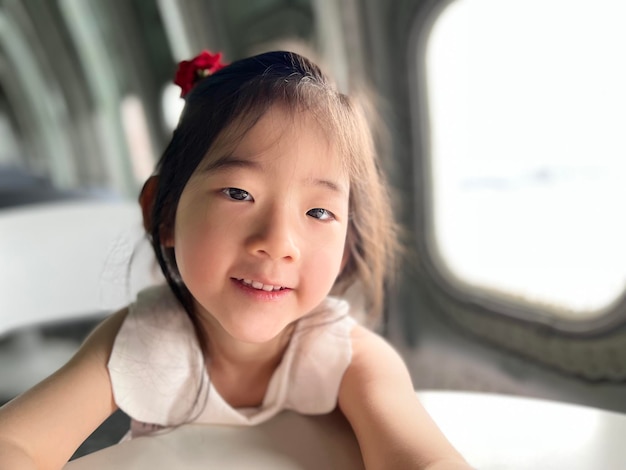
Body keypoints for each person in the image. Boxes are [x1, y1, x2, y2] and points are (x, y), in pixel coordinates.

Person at [0, 50, 472, 470]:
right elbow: (13, 443)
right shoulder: (142, 342)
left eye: (319, 211)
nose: (278, 242)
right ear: (162, 212)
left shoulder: (351, 359)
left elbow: (424, 458)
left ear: (348, 242)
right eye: (239, 193)